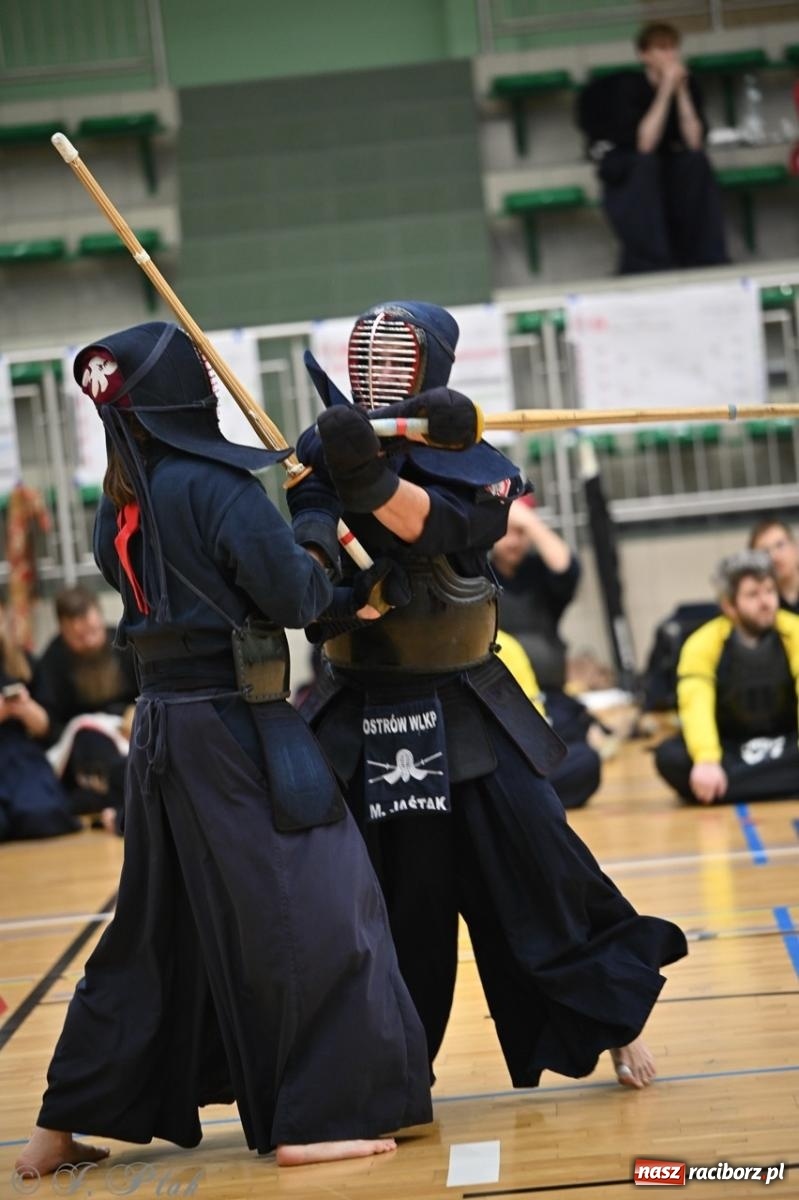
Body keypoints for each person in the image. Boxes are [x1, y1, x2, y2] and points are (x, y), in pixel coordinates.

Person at [16, 321, 432, 1180]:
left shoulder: (119, 499)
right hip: (234, 730)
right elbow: (295, 594)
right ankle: (312, 1119)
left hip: (162, 731)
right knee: (318, 909)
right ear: (179, 392)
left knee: (150, 932)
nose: (212, 379)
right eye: (199, 369)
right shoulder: (216, 488)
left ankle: (56, 1130)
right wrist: (313, 517)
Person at [290, 299, 687, 1094]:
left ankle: (612, 1025)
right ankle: (389, 1066)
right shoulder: (325, 460)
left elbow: (437, 529)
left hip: (468, 702)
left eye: (395, 356)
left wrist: (367, 474)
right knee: (384, 905)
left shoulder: (474, 461)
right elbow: (304, 570)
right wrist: (324, 548)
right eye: (364, 357)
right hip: (362, 708)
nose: (376, 370)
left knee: (543, 864)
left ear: (429, 366)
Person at [577, 21, 728, 274]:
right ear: (644, 54)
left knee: (696, 162)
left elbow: (694, 142)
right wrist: (665, 90)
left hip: (667, 160)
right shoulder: (627, 87)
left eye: (673, 48)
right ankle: (651, 261)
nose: (670, 55)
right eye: (662, 49)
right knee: (645, 165)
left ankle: (704, 257)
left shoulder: (689, 85)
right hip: (627, 160)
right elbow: (644, 144)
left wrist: (680, 94)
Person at [654, 550, 799, 805]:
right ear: (729, 606)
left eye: (769, 591)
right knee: (669, 757)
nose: (766, 602)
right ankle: (776, 783)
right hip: (730, 750)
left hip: (788, 743)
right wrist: (707, 759)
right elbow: (694, 704)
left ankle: (727, 790)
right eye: (753, 595)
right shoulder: (702, 643)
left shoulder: (793, 631)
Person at [32, 585, 138, 827]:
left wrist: (136, 713)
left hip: (127, 728)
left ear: (99, 617)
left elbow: (146, 692)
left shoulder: (124, 643)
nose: (89, 641)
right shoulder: (53, 660)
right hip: (83, 743)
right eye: (79, 637)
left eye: (93, 631)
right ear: (63, 632)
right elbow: (51, 724)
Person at [0, 599, 79, 842]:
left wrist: (25, 708)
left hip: (20, 754)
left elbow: (47, 726)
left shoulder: (24, 662)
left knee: (42, 816)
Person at [495, 628, 601, 810]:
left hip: (516, 754)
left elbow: (535, 721)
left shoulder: (506, 645)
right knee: (585, 760)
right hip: (500, 762)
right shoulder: (499, 645)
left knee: (583, 756)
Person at [749, 517, 799, 614]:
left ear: (796, 547)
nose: (774, 557)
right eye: (764, 552)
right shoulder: (760, 610)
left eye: (780, 545)